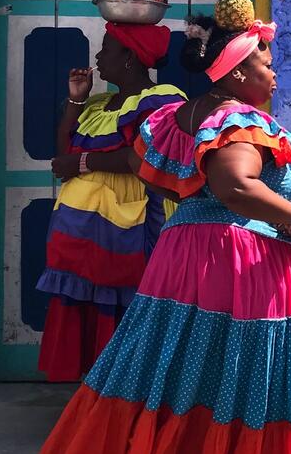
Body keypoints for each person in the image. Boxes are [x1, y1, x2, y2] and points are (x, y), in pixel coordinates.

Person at [32, 15, 291, 454]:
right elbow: (234, 185)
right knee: (245, 372)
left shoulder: (178, 117)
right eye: (266, 65)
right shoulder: (237, 120)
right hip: (235, 261)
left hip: (181, 255)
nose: (274, 75)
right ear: (238, 73)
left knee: (167, 367)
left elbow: (151, 171)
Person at [36, 22, 186, 383]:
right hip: (82, 227)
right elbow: (64, 153)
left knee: (128, 295)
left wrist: (83, 163)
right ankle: (96, 392)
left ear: (130, 57)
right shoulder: (99, 105)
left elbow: (143, 156)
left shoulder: (161, 100)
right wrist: (76, 100)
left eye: (106, 49)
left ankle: (129, 390)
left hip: (132, 221)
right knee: (88, 298)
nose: (99, 57)